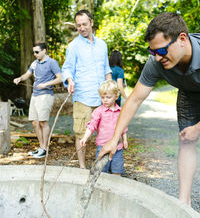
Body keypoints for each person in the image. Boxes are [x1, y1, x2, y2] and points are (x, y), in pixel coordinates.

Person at [98, 12, 200, 207]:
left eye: (161, 51)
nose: (157, 57)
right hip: (189, 92)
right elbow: (135, 99)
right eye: (152, 52)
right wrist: (114, 138)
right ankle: (183, 203)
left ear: (182, 39)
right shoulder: (156, 62)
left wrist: (198, 128)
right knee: (186, 141)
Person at [62, 10, 112, 169]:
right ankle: (82, 168)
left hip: (103, 98)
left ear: (91, 22)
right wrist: (70, 80)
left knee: (106, 133)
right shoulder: (73, 46)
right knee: (81, 133)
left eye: (84, 24)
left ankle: (102, 167)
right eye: (78, 25)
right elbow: (67, 68)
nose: (82, 28)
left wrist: (112, 90)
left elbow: (106, 69)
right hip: (83, 97)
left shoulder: (102, 44)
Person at [13, 42, 62, 158]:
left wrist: (46, 84)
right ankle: (41, 147)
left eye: (37, 52)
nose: (35, 54)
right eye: (33, 52)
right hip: (35, 95)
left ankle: (45, 149)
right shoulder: (35, 63)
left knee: (43, 122)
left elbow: (60, 78)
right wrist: (20, 78)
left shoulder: (52, 63)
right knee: (35, 122)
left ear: (44, 51)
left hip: (45, 95)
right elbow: (27, 74)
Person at [80, 80, 128, 175]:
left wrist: (125, 139)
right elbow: (92, 125)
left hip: (117, 148)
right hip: (102, 146)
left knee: (117, 171)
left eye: (108, 97)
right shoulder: (99, 111)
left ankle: (114, 188)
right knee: (101, 172)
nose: (105, 100)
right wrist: (85, 137)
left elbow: (123, 127)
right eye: (103, 97)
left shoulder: (120, 111)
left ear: (116, 96)